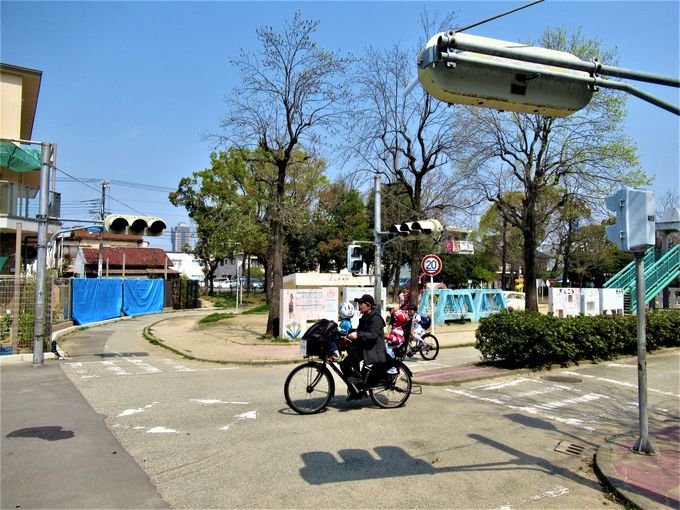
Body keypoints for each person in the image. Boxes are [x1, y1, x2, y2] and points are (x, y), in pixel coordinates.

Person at [343, 294, 388, 386]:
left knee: (352, 348)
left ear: (369, 305)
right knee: (344, 364)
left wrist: (358, 334)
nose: (359, 305)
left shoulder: (376, 318)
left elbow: (373, 334)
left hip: (373, 348)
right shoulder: (365, 317)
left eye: (361, 303)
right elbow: (361, 330)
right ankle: (356, 389)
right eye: (359, 303)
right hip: (366, 346)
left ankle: (357, 376)